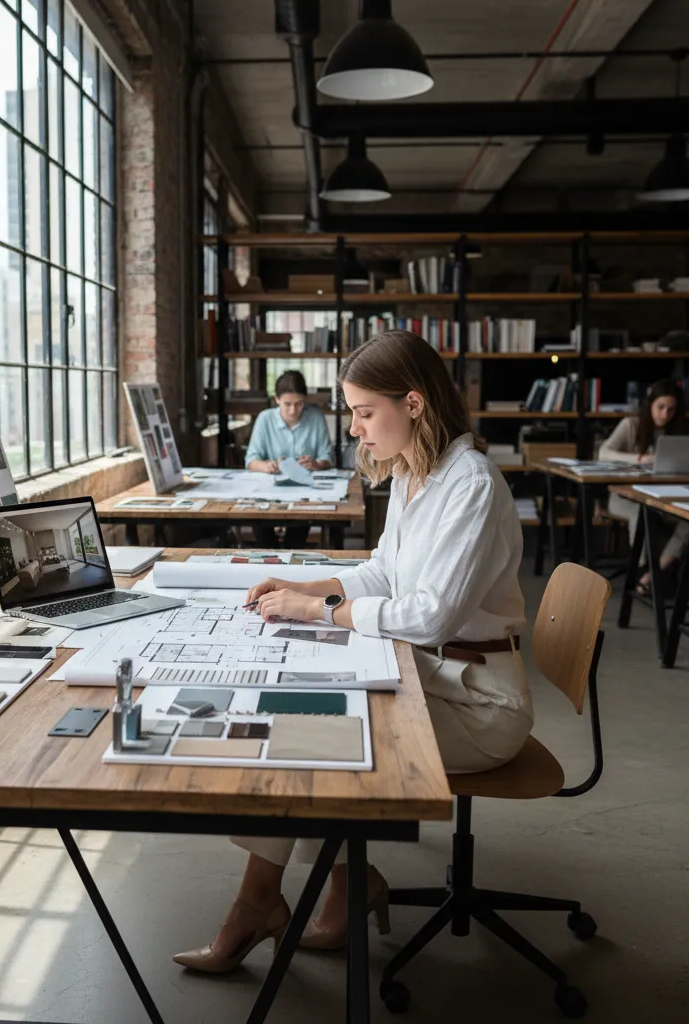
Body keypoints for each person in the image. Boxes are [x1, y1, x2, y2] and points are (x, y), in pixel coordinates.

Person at [174, 330, 532, 972]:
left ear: (414, 404)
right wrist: (302, 588)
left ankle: (275, 901)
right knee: (305, 716)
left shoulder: (470, 484)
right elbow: (383, 574)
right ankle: (328, 890)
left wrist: (319, 612)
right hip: (431, 671)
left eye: (365, 413)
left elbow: (430, 615)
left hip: (479, 701)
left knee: (314, 736)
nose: (354, 429)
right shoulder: (414, 473)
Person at [600, 379, 689, 593]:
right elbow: (603, 453)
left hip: (662, 497)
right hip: (625, 497)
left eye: (671, 409)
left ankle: (655, 571)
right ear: (650, 405)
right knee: (641, 513)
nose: (665, 414)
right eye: (660, 407)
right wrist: (638, 458)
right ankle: (641, 568)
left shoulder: (677, 431)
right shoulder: (631, 425)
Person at [245, 370, 333, 548]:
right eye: (287, 404)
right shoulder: (265, 419)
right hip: (269, 492)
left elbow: (327, 458)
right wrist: (267, 466)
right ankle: (269, 555)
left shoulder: (315, 417)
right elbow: (251, 460)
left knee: (298, 534)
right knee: (260, 526)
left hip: (305, 493)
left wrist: (316, 464)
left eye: (299, 404)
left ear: (305, 400)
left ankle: (291, 554)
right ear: (277, 399)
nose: (293, 411)